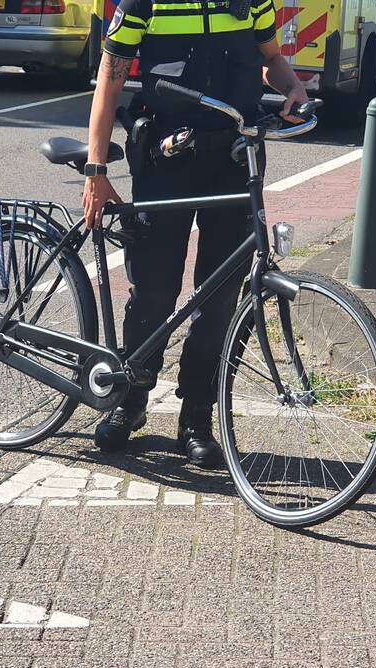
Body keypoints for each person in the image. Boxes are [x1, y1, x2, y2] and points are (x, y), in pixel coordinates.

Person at [81, 0, 308, 468]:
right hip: (166, 161)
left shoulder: (253, 2)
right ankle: (131, 398)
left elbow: (270, 59)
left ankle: (197, 418)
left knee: (219, 297)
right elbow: (111, 76)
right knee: (154, 289)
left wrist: (293, 87)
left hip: (234, 161)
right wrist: (95, 168)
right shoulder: (145, 3)